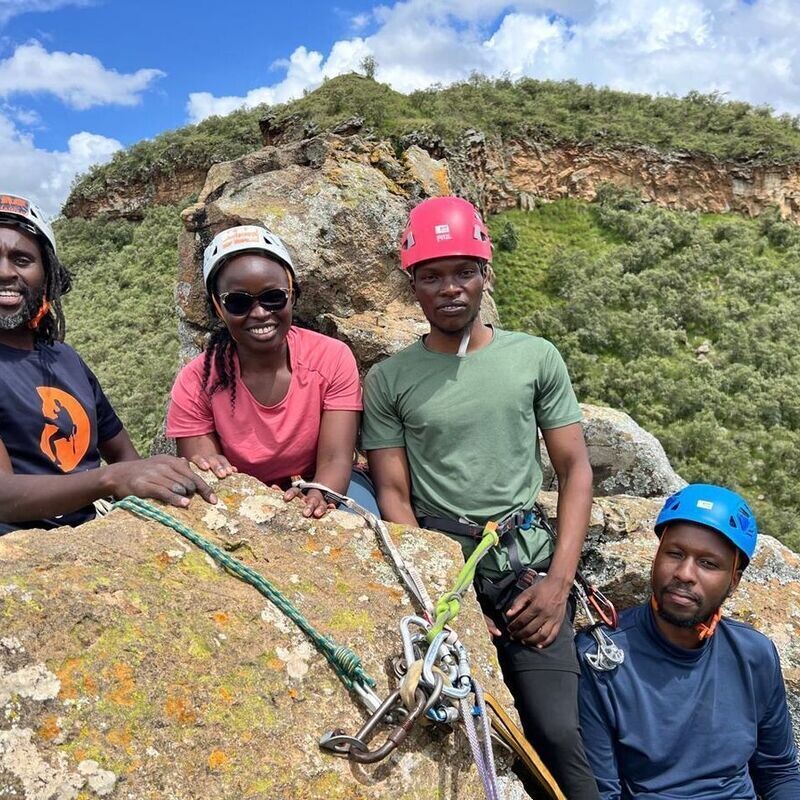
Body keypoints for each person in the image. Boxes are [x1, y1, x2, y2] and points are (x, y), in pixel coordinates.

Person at [362, 195, 598, 798]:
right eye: (432, 276)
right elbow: (393, 493)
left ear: (485, 274)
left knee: (556, 732)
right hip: (447, 568)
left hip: (526, 568)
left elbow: (575, 471)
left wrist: (558, 584)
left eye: (463, 271)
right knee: (466, 729)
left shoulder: (534, 358)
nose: (450, 289)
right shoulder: (390, 379)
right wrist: (449, 596)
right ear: (412, 284)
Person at [0, 193, 217, 535]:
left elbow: (123, 456)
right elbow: (3, 496)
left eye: (22, 259)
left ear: (48, 274)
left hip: (92, 533)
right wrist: (110, 479)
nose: (4, 272)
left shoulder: (65, 358)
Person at [577, 483, 800, 799]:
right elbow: (602, 791)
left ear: (733, 581)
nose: (684, 573)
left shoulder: (754, 655)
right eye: (675, 553)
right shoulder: (602, 659)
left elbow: (780, 772)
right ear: (656, 557)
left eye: (708, 563)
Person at [166, 224, 377, 518]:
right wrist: (251, 494)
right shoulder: (196, 381)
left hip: (323, 479)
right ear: (217, 307)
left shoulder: (331, 357)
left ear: (292, 294)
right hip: (244, 492)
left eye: (273, 297)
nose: (260, 312)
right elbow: (206, 470)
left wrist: (320, 493)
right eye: (238, 302)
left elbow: (334, 458)